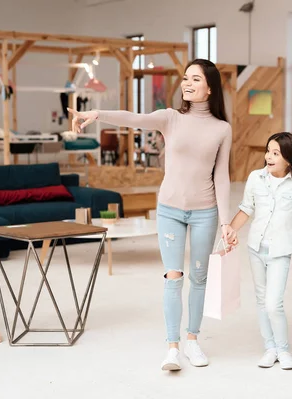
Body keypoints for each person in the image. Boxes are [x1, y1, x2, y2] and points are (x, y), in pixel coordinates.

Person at [68, 59, 235, 372]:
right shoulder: (170, 118)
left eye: (195, 79)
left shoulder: (222, 129)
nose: (186, 83)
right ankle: (172, 348)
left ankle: (193, 341)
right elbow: (134, 118)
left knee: (199, 278)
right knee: (174, 277)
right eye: (185, 78)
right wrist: (97, 114)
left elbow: (222, 177)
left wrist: (226, 222)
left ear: (210, 88)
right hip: (170, 210)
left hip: (205, 212)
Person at [227, 132, 292, 370]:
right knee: (262, 301)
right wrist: (231, 230)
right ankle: (270, 348)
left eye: (276, 153)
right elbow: (246, 209)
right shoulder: (256, 178)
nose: (269, 156)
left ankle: (283, 350)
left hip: (280, 251)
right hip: (255, 247)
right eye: (268, 151)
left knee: (274, 303)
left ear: (289, 158)